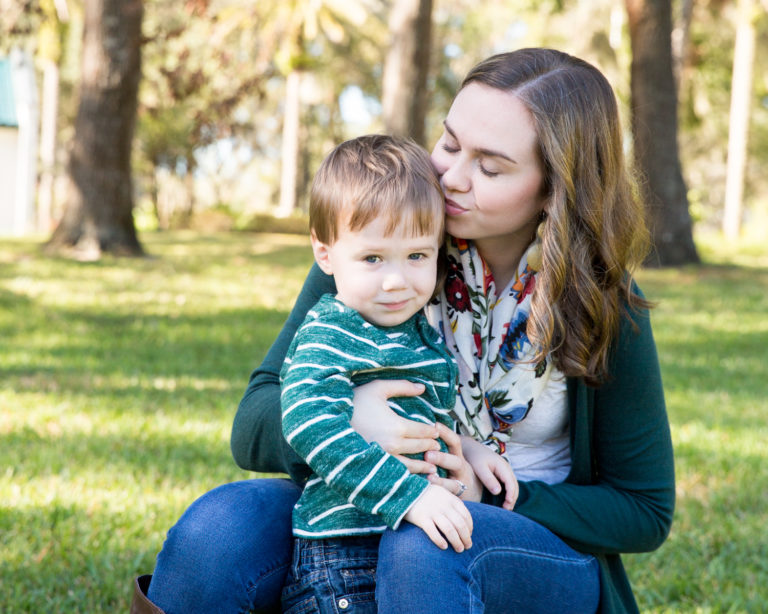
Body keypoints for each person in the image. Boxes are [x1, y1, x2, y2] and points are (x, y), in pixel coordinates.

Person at [132, 47, 675, 614]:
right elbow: (254, 420)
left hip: (526, 552)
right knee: (219, 527)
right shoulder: (385, 252)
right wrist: (354, 414)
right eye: (449, 144)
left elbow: (643, 509)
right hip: (360, 500)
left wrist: (489, 490)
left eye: (490, 167)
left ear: (554, 188)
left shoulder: (603, 302)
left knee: (429, 542)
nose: (452, 178)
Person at [279, 134, 498, 613]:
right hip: (345, 555)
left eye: (417, 256)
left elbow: (420, 414)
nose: (397, 280)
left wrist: (468, 447)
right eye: (373, 259)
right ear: (325, 256)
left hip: (406, 542)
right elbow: (309, 424)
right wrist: (409, 498)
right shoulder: (331, 330)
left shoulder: (415, 330)